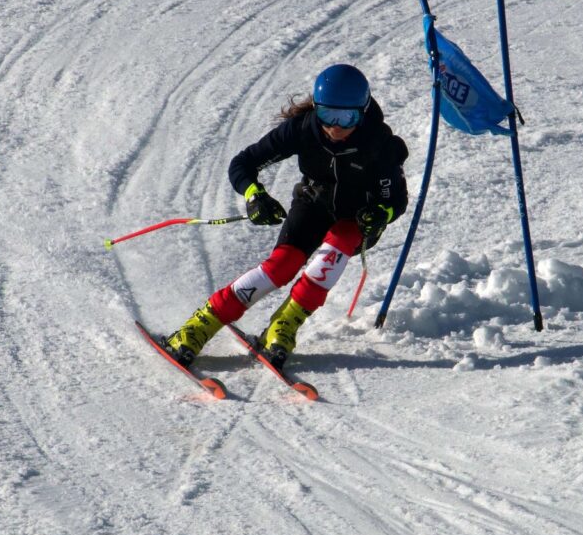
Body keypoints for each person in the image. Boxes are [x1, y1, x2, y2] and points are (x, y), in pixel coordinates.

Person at [160, 63, 408, 370]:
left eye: (347, 118)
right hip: (314, 205)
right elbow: (243, 164)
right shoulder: (304, 129)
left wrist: (381, 213)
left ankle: (285, 324)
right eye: (328, 115)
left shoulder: (380, 144)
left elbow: (396, 200)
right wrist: (254, 195)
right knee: (282, 266)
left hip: (357, 219)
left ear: (364, 111)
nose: (336, 127)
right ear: (316, 109)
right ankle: (200, 324)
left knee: (338, 243)